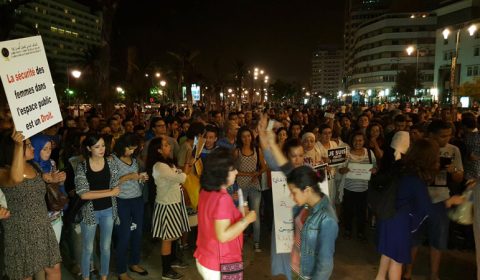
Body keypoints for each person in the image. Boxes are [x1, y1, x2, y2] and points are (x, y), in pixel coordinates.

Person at [375, 139, 462, 280]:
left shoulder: (401, 168)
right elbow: (427, 208)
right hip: (399, 223)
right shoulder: (415, 180)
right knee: (397, 263)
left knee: (385, 261)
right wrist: (449, 202)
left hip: (387, 217)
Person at [0, 130, 62, 280]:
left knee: (54, 269)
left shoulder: (34, 165)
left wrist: (50, 179)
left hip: (42, 226)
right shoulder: (2, 172)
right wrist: (18, 146)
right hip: (20, 231)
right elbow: (15, 179)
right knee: (25, 275)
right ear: (14, 148)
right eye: (28, 145)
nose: (33, 147)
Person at [194, 148, 257, 280]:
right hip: (222, 262)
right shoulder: (222, 198)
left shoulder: (206, 191)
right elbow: (223, 235)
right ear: (221, 173)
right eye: (233, 169)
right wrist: (247, 220)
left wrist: (242, 206)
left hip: (206, 256)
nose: (237, 172)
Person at [75, 133, 121, 280]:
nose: (101, 149)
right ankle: (86, 277)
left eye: (103, 145)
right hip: (90, 211)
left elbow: (116, 187)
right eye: (97, 146)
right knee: (88, 248)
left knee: (106, 248)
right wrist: (110, 192)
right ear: (89, 148)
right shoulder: (82, 166)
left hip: (108, 210)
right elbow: (83, 194)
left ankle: (104, 277)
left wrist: (110, 192)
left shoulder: (111, 163)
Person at [146, 137, 190, 280]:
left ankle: (172, 261)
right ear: (158, 150)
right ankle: (166, 271)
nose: (169, 146)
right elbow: (182, 177)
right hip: (167, 205)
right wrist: (189, 162)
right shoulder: (160, 166)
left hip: (174, 202)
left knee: (173, 236)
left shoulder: (167, 163)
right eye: (165, 145)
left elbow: (179, 176)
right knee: (168, 238)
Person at [286, 166, 338, 279]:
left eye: (293, 192)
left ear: (307, 190)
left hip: (307, 275)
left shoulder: (327, 219)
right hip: (295, 268)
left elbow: (325, 265)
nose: (291, 196)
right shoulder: (305, 205)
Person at [112, 133, 149, 280]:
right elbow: (111, 182)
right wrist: (129, 177)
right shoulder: (112, 160)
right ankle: (121, 271)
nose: (132, 152)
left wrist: (141, 179)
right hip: (122, 201)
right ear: (122, 146)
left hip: (137, 199)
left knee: (137, 233)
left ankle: (134, 262)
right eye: (130, 148)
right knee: (124, 235)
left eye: (134, 149)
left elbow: (136, 178)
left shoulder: (134, 160)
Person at [338, 131, 376, 241]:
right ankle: (348, 230)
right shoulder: (346, 153)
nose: (357, 142)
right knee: (348, 211)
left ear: (364, 141)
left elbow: (375, 167)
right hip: (349, 187)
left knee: (361, 212)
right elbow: (340, 169)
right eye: (355, 140)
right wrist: (343, 170)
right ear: (351, 141)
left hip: (363, 188)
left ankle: (361, 232)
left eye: (360, 140)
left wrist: (374, 170)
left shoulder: (369, 153)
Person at [234, 126, 267, 252]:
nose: (246, 139)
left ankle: (257, 242)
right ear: (240, 138)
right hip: (241, 186)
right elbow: (234, 170)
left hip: (254, 185)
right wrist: (250, 174)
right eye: (243, 136)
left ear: (252, 137)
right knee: (241, 214)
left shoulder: (257, 150)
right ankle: (239, 243)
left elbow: (264, 167)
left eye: (248, 136)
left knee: (255, 214)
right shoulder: (237, 151)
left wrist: (257, 174)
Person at [30, 133, 67, 243]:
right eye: (44, 149)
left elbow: (56, 187)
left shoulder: (52, 163)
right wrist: (46, 180)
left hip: (54, 212)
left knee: (55, 247)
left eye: (50, 148)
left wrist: (60, 182)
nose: (48, 152)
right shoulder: (29, 167)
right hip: (38, 215)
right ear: (36, 148)